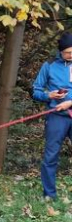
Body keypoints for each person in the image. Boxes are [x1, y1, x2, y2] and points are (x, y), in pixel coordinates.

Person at [32, 31, 72, 202]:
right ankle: (49, 194)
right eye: (68, 52)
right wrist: (50, 95)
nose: (71, 55)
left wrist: (70, 102)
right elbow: (36, 91)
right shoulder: (49, 65)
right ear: (60, 51)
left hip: (70, 109)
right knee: (51, 155)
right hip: (57, 116)